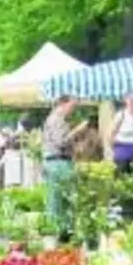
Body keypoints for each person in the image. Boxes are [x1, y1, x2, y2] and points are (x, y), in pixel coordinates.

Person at [41, 96, 89, 237]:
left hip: (54, 162)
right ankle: (62, 233)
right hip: (58, 162)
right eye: (72, 106)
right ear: (63, 104)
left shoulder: (53, 119)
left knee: (56, 200)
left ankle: (57, 233)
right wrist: (77, 130)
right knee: (63, 199)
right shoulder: (56, 120)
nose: (72, 110)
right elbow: (61, 142)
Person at [110, 91, 133, 173]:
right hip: (122, 153)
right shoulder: (121, 115)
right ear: (127, 102)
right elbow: (112, 133)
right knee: (122, 177)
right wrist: (114, 148)